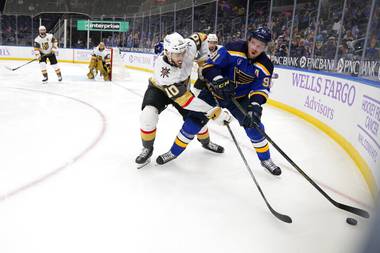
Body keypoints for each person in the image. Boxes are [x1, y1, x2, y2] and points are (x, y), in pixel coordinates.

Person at [136, 32, 231, 167]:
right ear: (167, 53)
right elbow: (186, 100)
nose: (181, 57)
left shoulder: (189, 46)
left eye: (182, 52)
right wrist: (214, 111)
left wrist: (204, 60)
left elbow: (202, 37)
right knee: (148, 115)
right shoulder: (163, 70)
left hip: (182, 89)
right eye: (176, 54)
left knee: (197, 119)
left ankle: (205, 142)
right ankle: (147, 148)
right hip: (159, 89)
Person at [199, 26, 282, 176]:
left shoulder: (266, 65)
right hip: (215, 92)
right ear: (249, 40)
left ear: (265, 47)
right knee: (195, 118)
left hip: (240, 98)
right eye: (254, 43)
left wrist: (255, 106)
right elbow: (209, 66)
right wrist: (218, 80)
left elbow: (261, 89)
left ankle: (265, 160)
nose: (256, 48)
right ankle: (176, 151)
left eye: (260, 46)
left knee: (255, 127)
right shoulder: (232, 47)